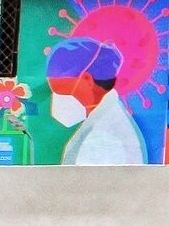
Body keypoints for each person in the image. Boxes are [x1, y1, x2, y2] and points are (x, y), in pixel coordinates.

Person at [47, 37, 145, 165]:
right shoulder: (105, 121)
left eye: (60, 90)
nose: (58, 99)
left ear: (87, 79)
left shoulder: (103, 137)